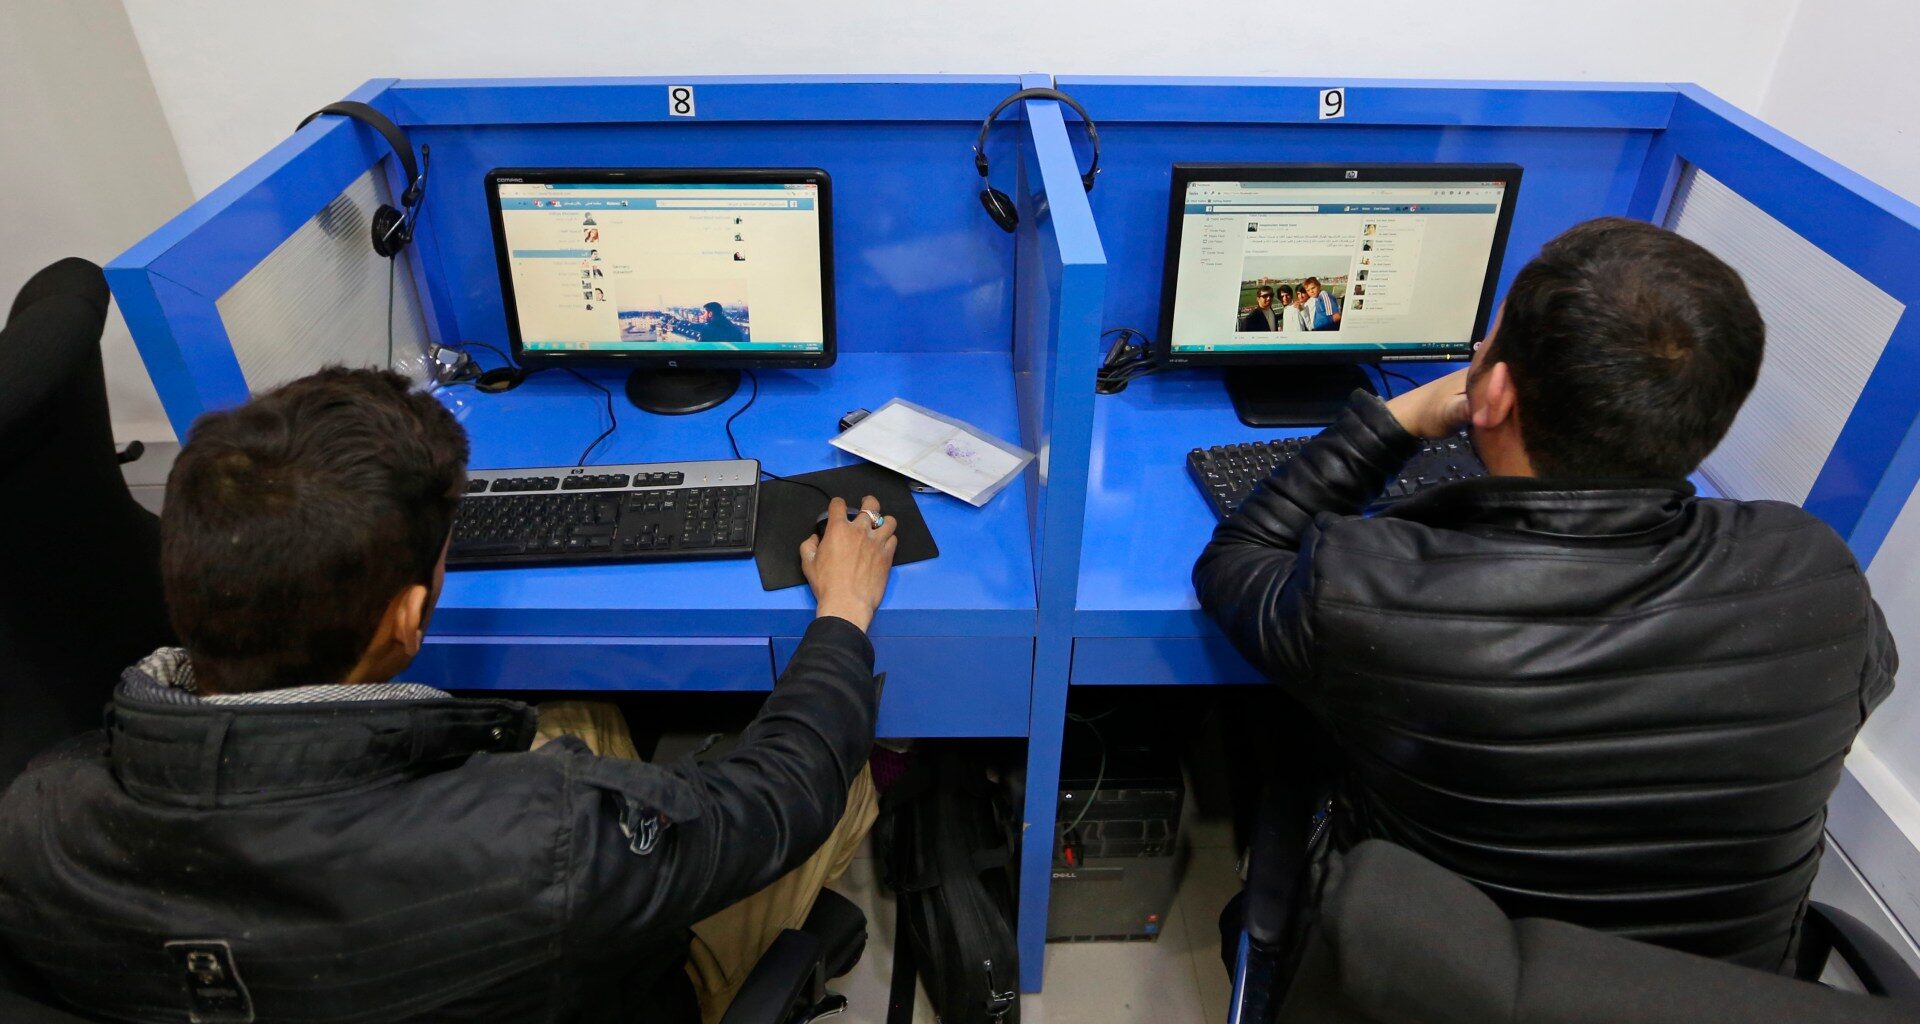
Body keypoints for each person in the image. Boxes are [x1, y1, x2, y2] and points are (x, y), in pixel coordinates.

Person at [0, 368, 899, 1023]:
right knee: (847, 774)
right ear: (406, 616)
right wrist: (843, 614)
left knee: (572, 719)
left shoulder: (38, 815)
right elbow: (783, 791)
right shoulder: (545, 837)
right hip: (604, 979)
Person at [1195, 217, 1895, 974]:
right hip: (1722, 997)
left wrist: (1396, 419)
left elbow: (1239, 556)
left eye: (1490, 343)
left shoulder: (1378, 591)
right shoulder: (1820, 577)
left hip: (1431, 983)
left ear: (1493, 392)